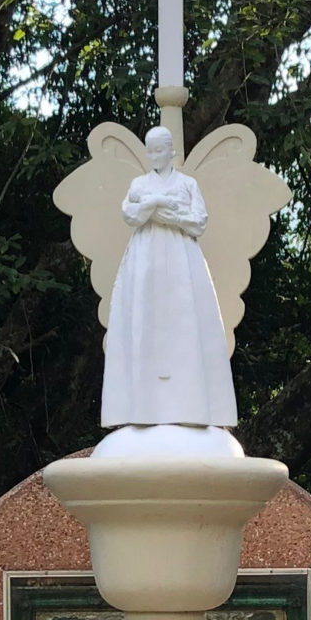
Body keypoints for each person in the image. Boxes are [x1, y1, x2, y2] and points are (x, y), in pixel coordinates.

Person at [102, 124, 239, 429]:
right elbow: (130, 214)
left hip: (182, 260)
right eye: (150, 151)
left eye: (159, 150)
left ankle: (190, 405)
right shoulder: (139, 184)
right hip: (144, 260)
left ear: (171, 151)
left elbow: (199, 222)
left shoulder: (188, 184)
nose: (154, 156)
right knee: (144, 320)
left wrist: (171, 216)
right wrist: (156, 203)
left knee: (184, 321)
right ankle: (142, 407)